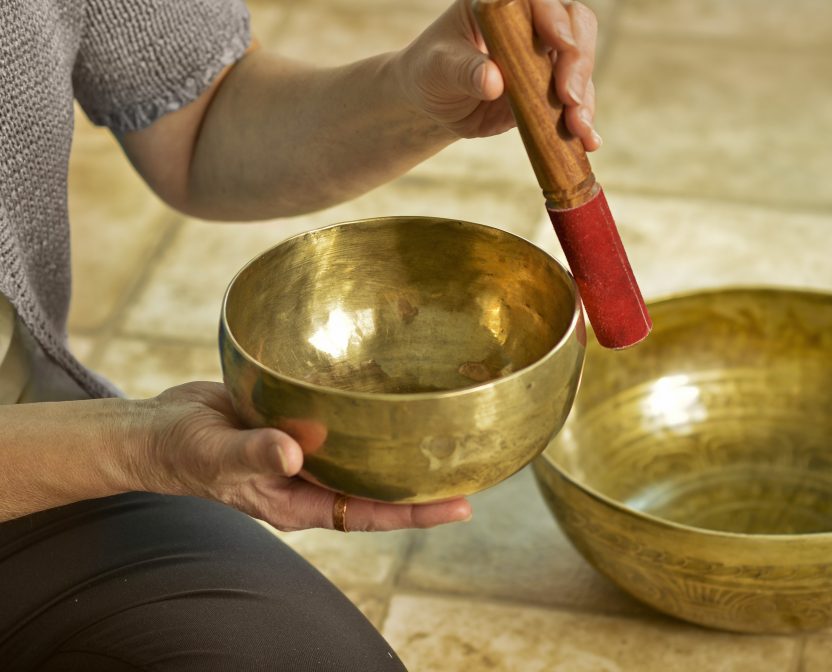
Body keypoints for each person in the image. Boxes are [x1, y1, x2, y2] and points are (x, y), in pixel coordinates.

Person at [0, 0, 599, 669]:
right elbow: (139, 447)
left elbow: (198, 120)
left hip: (32, 466)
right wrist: (141, 447)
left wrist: (415, 96)